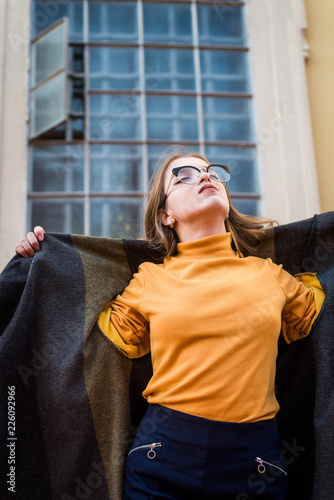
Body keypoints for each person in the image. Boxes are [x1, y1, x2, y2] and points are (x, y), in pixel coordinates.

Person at [16, 151, 322, 500]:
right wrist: (43, 265)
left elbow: (320, 317)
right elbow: (86, 330)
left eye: (211, 172)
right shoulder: (149, 279)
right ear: (166, 214)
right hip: (162, 456)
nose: (206, 177)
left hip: (254, 464)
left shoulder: (270, 274)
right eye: (185, 175)